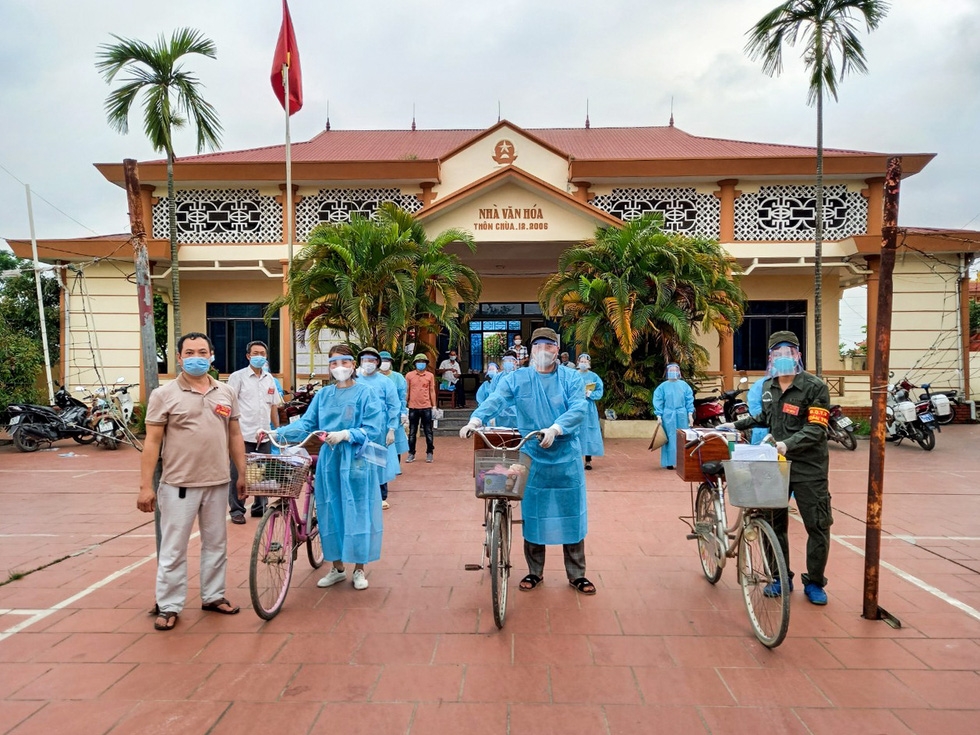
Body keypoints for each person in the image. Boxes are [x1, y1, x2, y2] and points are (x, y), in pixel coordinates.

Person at [459, 327, 596, 595]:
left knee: (572, 514)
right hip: (532, 453)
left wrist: (556, 428)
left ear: (557, 350)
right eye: (539, 346)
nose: (544, 351)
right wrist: (476, 419)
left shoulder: (571, 378)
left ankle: (577, 574)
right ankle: (535, 572)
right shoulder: (518, 378)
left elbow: (578, 407)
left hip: (565, 453)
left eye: (550, 346)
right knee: (534, 513)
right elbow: (497, 399)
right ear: (530, 351)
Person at [137, 332, 246, 631]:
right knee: (174, 548)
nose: (196, 357)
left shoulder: (225, 392)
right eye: (189, 352)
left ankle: (213, 596)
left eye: (202, 351)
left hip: (218, 482)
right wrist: (145, 486)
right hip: (179, 485)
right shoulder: (164, 395)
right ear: (179, 357)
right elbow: (152, 442)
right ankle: (169, 605)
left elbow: (235, 435)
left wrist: (242, 473)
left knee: (216, 544)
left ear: (212, 355)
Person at [725, 330, 832, 606]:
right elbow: (764, 417)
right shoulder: (769, 386)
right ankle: (779, 576)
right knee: (774, 523)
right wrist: (734, 425)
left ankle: (816, 582)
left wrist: (786, 444)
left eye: (789, 351)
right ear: (771, 357)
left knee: (817, 525)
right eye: (778, 353)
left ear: (798, 355)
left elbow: (817, 429)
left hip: (809, 468)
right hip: (775, 467)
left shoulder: (815, 387)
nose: (784, 357)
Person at [269, 344, 385, 590]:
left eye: (344, 362)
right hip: (329, 462)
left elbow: (374, 428)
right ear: (329, 367)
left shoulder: (366, 394)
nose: (339, 367)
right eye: (333, 363)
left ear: (353, 365)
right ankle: (337, 567)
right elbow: (307, 424)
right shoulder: (323, 396)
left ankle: (359, 569)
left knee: (359, 512)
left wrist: (346, 434)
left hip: (357, 461)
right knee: (330, 512)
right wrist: (276, 433)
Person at [226, 340, 282, 524]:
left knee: (262, 473)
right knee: (238, 473)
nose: (259, 356)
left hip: (264, 435)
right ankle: (237, 509)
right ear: (248, 356)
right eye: (255, 353)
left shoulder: (270, 379)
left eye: (262, 354)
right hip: (242, 434)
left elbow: (273, 407)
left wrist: (278, 430)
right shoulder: (238, 377)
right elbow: (230, 404)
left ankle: (260, 507)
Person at [357, 347, 401, 511]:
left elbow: (393, 405)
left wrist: (391, 428)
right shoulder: (354, 379)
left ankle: (381, 495)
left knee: (378, 459)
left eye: (372, 360)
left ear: (377, 362)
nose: (368, 363)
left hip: (380, 426)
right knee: (360, 459)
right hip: (359, 425)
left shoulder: (385, 382)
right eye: (365, 360)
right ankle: (362, 495)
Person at [652, 363, 694, 469]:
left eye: (675, 370)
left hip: (682, 415)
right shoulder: (662, 387)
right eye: (671, 370)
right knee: (669, 437)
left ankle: (682, 461)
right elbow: (658, 400)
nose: (673, 372)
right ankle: (669, 462)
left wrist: (690, 414)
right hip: (668, 415)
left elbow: (689, 399)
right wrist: (659, 415)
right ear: (667, 372)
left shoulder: (684, 386)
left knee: (682, 437)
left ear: (679, 372)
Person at [379, 350, 410, 463]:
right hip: (378, 414)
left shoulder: (398, 377)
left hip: (394, 413)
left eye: (387, 361)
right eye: (382, 361)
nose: (384, 363)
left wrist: (403, 412)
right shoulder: (373, 378)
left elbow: (402, 397)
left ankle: (395, 465)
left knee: (394, 440)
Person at [405, 352, 436, 462]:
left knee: (428, 431)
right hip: (413, 407)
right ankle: (411, 453)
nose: (421, 364)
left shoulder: (430, 376)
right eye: (419, 362)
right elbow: (407, 390)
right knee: (412, 432)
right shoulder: (409, 375)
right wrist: (405, 405)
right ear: (415, 364)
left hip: (426, 406)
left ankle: (429, 452)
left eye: (423, 362)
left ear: (426, 364)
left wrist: (434, 406)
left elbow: (432, 391)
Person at [575, 354, 604, 470]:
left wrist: (590, 394)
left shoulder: (594, 377)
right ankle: (576, 459)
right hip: (576, 407)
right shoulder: (573, 375)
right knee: (576, 432)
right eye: (581, 361)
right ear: (577, 362)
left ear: (589, 363)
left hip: (589, 408)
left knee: (588, 432)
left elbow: (599, 391)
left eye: (585, 362)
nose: (583, 363)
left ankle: (588, 460)